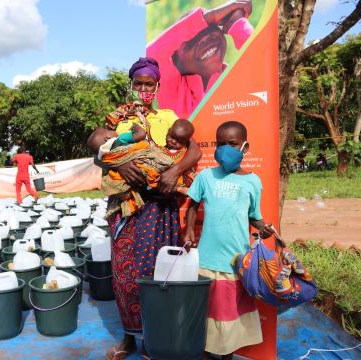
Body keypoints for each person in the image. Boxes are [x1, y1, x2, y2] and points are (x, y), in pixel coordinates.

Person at [89, 57, 202, 360]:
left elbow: (194, 149)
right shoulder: (118, 119)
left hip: (158, 208)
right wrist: (122, 164)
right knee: (125, 275)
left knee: (157, 272)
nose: (143, 89)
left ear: (157, 86)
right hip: (125, 207)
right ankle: (129, 338)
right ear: (131, 85)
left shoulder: (169, 116)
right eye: (138, 83)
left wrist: (175, 172)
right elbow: (99, 152)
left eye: (148, 84)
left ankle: (154, 338)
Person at [184, 121, 274, 359]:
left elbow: (255, 217)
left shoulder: (253, 181)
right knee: (206, 312)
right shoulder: (206, 176)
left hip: (236, 262)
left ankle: (226, 355)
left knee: (229, 314)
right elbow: (192, 204)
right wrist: (189, 230)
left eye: (232, 144)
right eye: (221, 144)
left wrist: (265, 230)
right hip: (207, 259)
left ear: (245, 147)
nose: (225, 149)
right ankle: (204, 352)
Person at [147, 0, 254, 118]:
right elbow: (152, 54)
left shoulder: (235, 76)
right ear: (176, 59)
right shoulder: (174, 90)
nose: (206, 37)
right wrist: (210, 17)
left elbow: (264, 58)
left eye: (211, 27)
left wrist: (237, 24)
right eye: (192, 38)